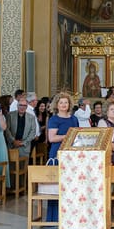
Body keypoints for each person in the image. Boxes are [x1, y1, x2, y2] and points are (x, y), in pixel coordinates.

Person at [46, 92, 79, 221]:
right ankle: (55, 218)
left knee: (71, 186)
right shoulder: (54, 119)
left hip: (71, 154)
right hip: (57, 153)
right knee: (57, 187)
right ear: (57, 105)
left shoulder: (74, 119)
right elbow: (52, 138)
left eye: (66, 102)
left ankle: (70, 218)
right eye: (61, 103)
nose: (64, 105)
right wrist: (68, 136)